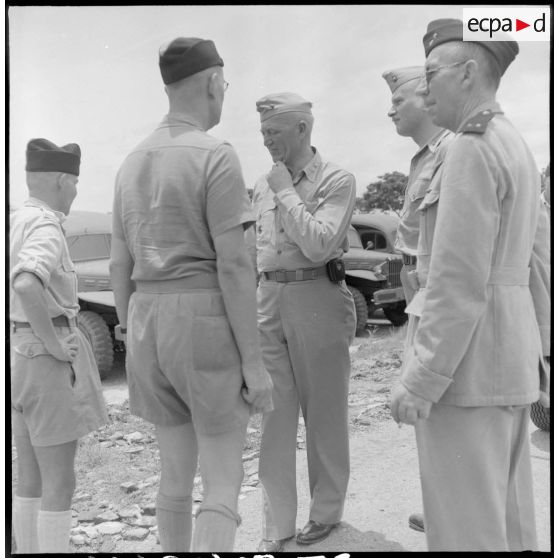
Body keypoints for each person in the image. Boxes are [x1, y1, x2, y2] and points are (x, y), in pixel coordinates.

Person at [390, 19, 550, 551]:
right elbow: (535, 265)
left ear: (468, 72)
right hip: (504, 360)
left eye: (432, 72)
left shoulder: (468, 148)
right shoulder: (511, 143)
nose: (425, 84)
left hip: (467, 370)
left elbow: (457, 282)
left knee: (465, 534)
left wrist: (422, 379)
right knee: (508, 525)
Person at [109, 37, 272, 553]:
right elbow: (235, 263)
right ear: (211, 82)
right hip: (202, 318)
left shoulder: (130, 162)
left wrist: (131, 331)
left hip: (145, 319)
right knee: (223, 480)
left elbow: (119, 263)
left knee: (174, 478)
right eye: (224, 83)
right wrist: (254, 363)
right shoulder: (216, 155)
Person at [252, 92, 357, 552]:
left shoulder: (336, 179)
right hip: (268, 299)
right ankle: (278, 524)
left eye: (273, 131)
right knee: (272, 415)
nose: (266, 139)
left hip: (317, 297)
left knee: (324, 414)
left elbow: (318, 245)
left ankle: (326, 515)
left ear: (301, 129)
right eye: (262, 133)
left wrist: (285, 191)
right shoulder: (261, 183)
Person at [10, 138, 109, 553]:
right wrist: (52, 344)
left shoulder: (14, 220)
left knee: (29, 478)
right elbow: (27, 282)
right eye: (73, 183)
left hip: (16, 351)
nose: (75, 192)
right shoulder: (47, 225)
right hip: (43, 353)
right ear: (59, 181)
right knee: (60, 480)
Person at [382, 66, 453, 535]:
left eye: (399, 101)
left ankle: (454, 510)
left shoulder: (453, 151)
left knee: (443, 406)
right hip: (418, 297)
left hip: (440, 297)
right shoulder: (422, 159)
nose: (390, 110)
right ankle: (444, 504)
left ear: (429, 98)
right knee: (433, 416)